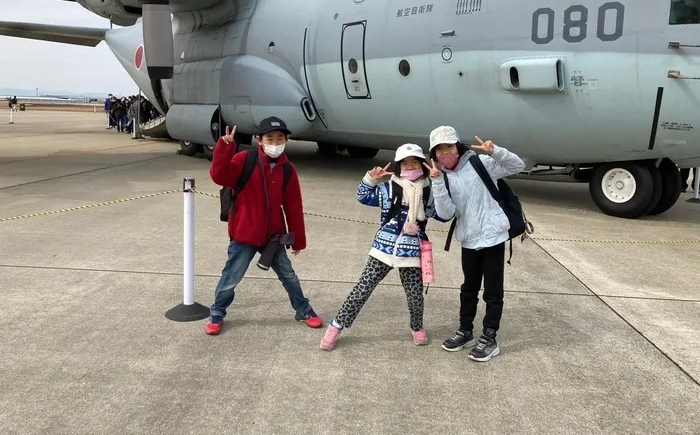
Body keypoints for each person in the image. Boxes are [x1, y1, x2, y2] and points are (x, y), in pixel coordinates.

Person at [320, 143, 447, 351]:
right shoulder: (388, 188)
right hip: (382, 249)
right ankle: (336, 326)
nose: (410, 167)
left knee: (415, 295)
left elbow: (443, 215)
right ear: (398, 167)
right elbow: (362, 196)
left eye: (415, 162)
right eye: (405, 164)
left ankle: (417, 327)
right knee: (362, 289)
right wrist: (370, 179)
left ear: (423, 165)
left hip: (412, 251)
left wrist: (439, 183)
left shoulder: (428, 191)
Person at [206, 116, 322, 335]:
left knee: (288, 276)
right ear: (259, 139)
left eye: (280, 139)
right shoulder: (244, 159)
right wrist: (225, 147)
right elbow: (219, 176)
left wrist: (298, 239)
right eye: (270, 138)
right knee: (231, 277)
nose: (275, 143)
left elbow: (293, 206)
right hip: (245, 234)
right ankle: (217, 312)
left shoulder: (287, 169)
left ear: (286, 141)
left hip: (274, 236)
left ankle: (303, 309)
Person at [424, 126, 525, 362]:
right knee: (468, 288)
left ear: (457, 146)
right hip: (468, 238)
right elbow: (446, 213)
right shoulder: (443, 177)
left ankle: (490, 337)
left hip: (493, 236)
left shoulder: (481, 164)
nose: (445, 152)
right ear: (434, 155)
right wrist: (437, 183)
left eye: (449, 146)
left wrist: (495, 152)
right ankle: (466, 331)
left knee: (492, 290)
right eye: (439, 149)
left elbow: (517, 166)